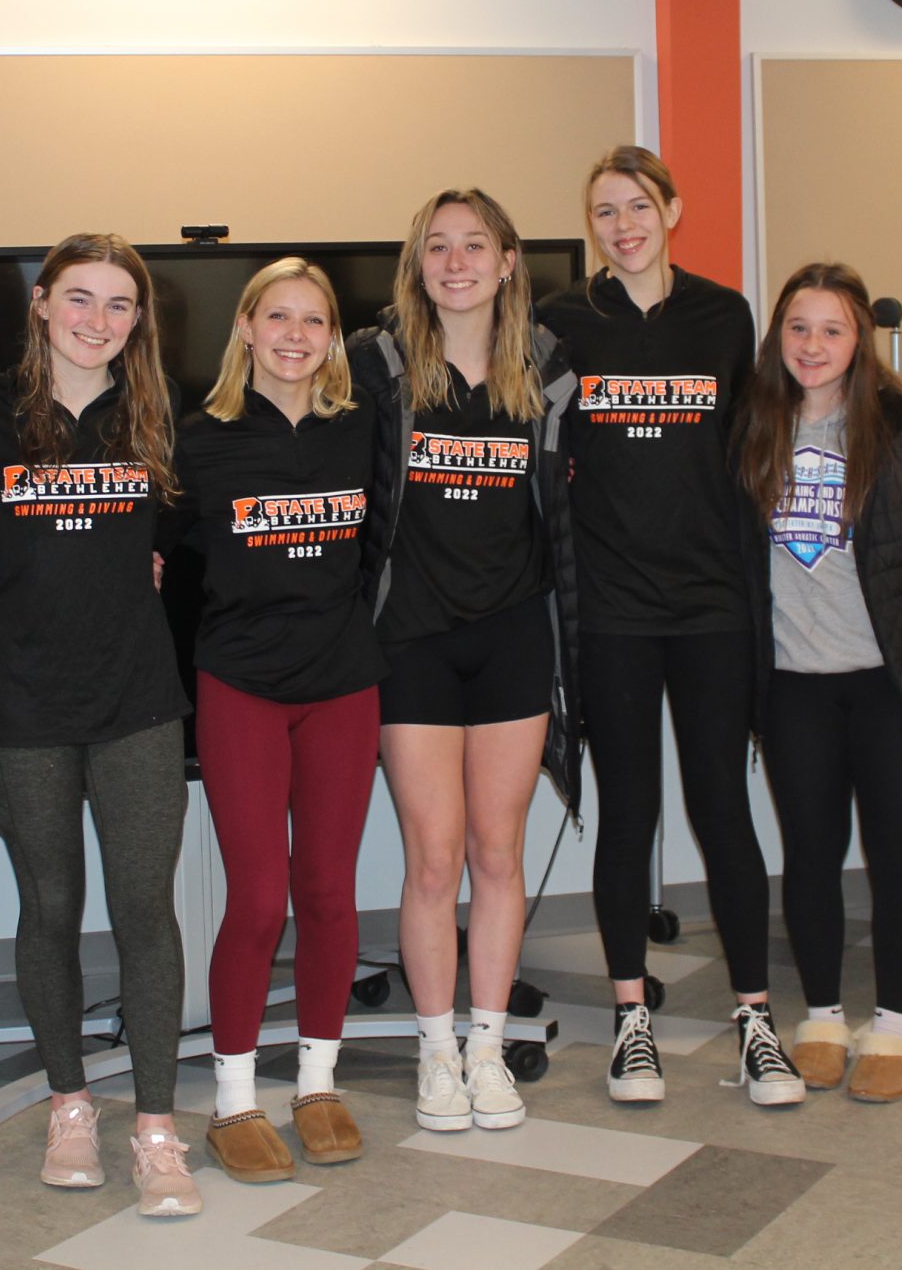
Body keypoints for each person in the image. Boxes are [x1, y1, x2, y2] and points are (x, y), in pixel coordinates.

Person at [538, 147, 800, 1110]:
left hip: (710, 607)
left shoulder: (724, 316)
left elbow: (761, 440)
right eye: (603, 210)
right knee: (628, 812)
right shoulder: (563, 321)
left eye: (637, 205)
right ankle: (631, 1024)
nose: (621, 224)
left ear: (672, 209)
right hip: (610, 610)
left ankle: (756, 1023)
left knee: (722, 808)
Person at [0, 233, 201, 1218]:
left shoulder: (159, 412)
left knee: (146, 911)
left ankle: (153, 1126)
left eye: (119, 305)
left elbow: (184, 534)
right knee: (48, 909)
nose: (97, 322)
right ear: (41, 303)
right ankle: (70, 1106)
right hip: (22, 703)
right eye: (80, 300)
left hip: (136, 699)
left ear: (138, 320)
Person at [735, 262, 902, 1104]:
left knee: (896, 856)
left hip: (892, 684)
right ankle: (819, 1015)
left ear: (860, 342)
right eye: (799, 328)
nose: (813, 345)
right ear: (779, 336)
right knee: (810, 855)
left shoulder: (900, 430)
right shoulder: (750, 427)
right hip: (792, 687)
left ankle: (892, 1026)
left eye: (833, 330)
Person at [351, 189, 581, 1137]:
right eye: (437, 247)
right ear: (417, 263)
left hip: (515, 638)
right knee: (433, 858)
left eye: (473, 245)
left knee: (499, 852)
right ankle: (435, 1049)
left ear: (508, 259)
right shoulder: (378, 365)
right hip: (413, 640)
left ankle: (488, 1048)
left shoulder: (548, 368)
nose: (456, 262)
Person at [169, 259, 384, 1183]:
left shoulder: (362, 430)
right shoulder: (197, 441)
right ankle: (232, 1098)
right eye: (279, 316)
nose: (296, 335)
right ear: (247, 327)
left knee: (331, 892)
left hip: (342, 687)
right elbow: (158, 571)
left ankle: (319, 1082)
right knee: (259, 900)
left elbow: (385, 549)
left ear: (334, 336)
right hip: (242, 689)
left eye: (316, 320)